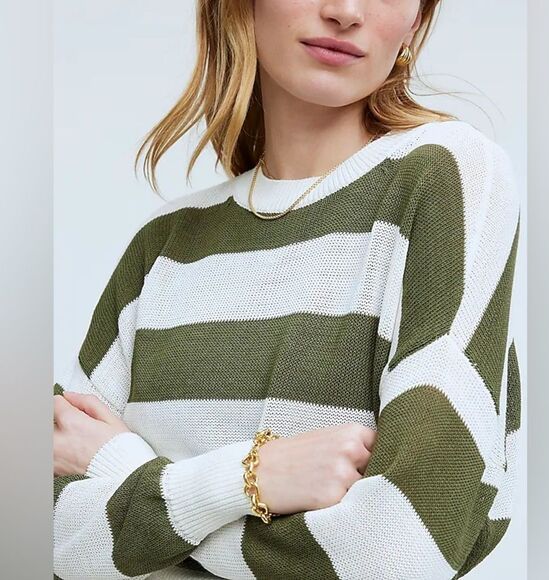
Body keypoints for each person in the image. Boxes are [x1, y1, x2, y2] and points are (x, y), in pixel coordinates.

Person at [53, 1, 522, 578]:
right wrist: (246, 479)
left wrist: (129, 477)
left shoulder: (445, 175)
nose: (345, 11)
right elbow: (40, 529)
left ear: (417, 20)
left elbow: (400, 548)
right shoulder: (165, 243)